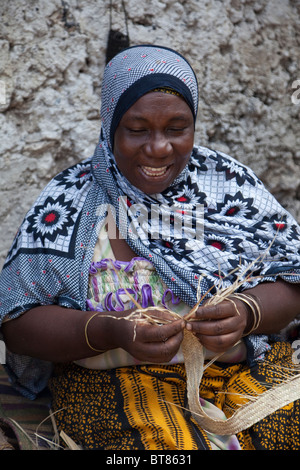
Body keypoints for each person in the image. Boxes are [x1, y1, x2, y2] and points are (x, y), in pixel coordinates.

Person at [1, 44, 300, 451]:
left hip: (240, 372)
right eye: (137, 129)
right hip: (115, 384)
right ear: (110, 127)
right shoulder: (71, 202)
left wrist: (247, 312)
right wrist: (109, 330)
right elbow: (17, 321)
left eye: (177, 128)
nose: (159, 148)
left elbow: (292, 277)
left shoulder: (227, 187)